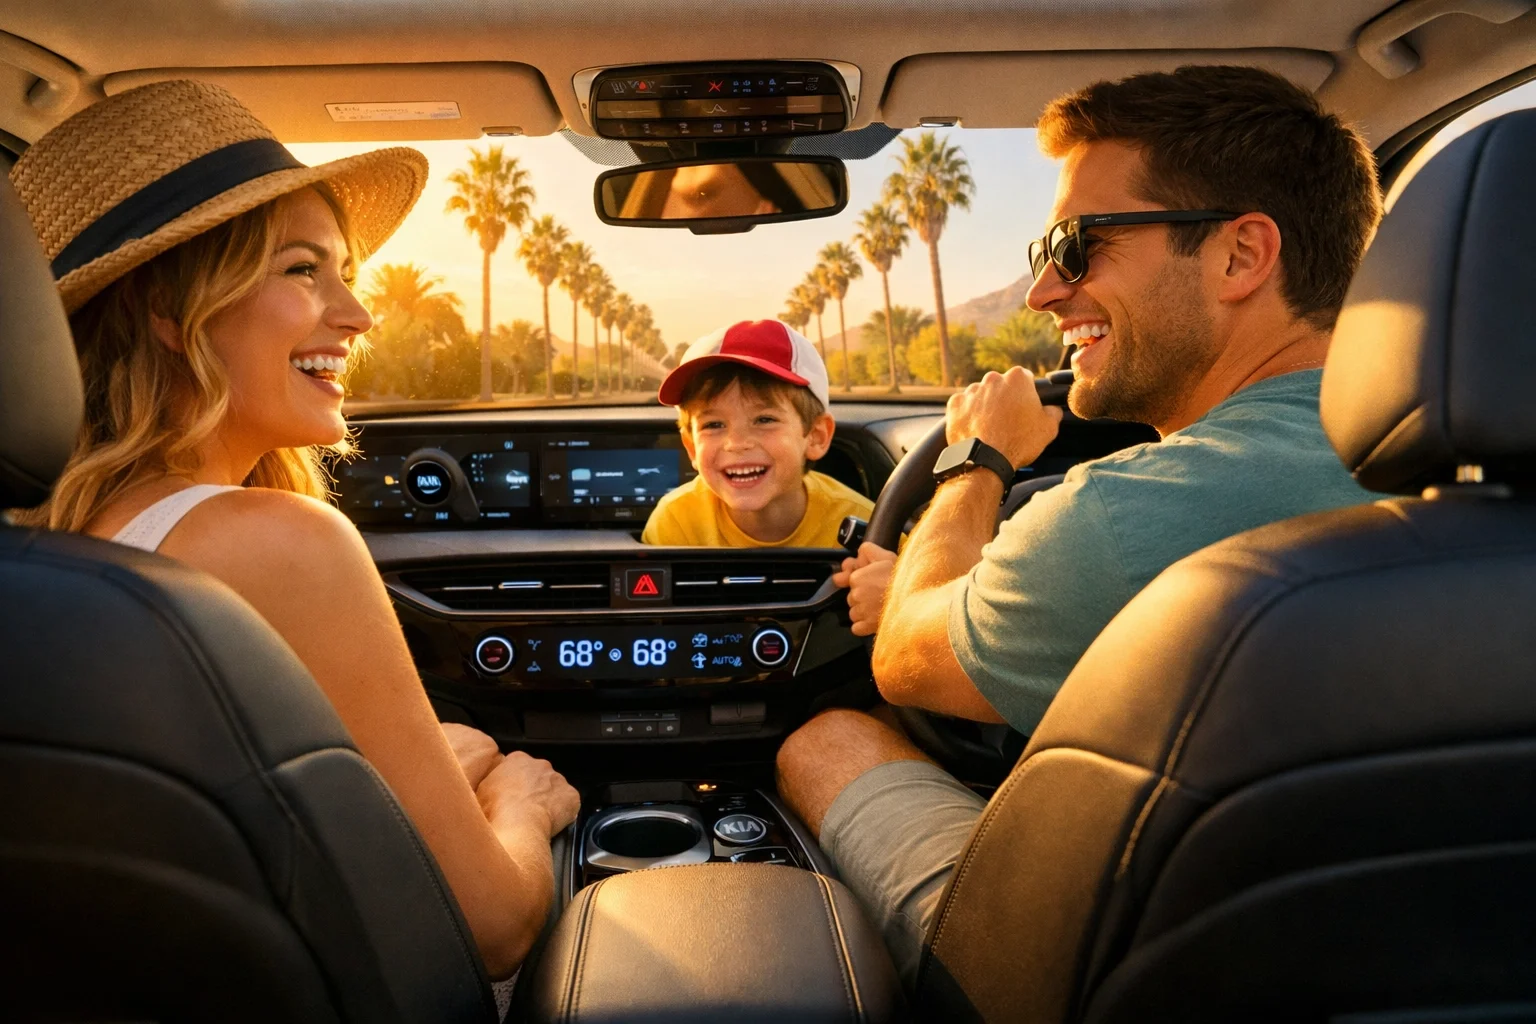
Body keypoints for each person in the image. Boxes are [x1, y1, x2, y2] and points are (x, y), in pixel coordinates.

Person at [774, 64, 1384, 985]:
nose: (1042, 292)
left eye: (1079, 245)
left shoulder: (1118, 518)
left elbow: (901, 656)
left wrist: (976, 462)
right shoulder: (1467, 472)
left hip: (1122, 975)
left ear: (1241, 256)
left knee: (827, 737)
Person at [9, 80, 578, 984]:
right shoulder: (282, 544)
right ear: (170, 307)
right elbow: (494, 929)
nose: (357, 314)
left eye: (342, 271)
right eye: (303, 270)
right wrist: (523, 805)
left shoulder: (55, 549)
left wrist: (445, 764)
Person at [642, 319, 874, 548]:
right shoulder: (674, 524)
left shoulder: (867, 525)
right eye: (713, 425)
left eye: (764, 420)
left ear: (816, 436)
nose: (736, 443)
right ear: (691, 447)